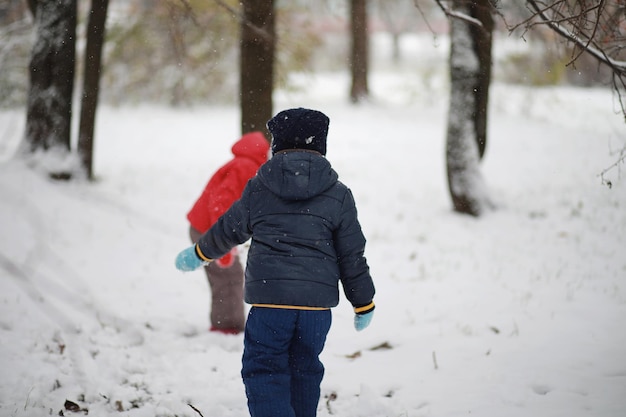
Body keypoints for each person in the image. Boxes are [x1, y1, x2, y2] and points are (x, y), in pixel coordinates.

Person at [175, 107, 376, 417]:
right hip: (316, 309)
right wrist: (363, 302)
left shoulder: (259, 188)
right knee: (305, 369)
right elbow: (351, 254)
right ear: (321, 145)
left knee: (264, 368)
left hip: (270, 303)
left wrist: (200, 252)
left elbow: (230, 228)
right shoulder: (339, 195)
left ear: (276, 146)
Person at [185, 131, 269, 334]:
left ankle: (228, 323)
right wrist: (221, 244)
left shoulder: (243, 165)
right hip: (208, 231)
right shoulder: (244, 167)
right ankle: (226, 327)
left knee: (229, 276)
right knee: (228, 277)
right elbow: (220, 203)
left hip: (206, 228)